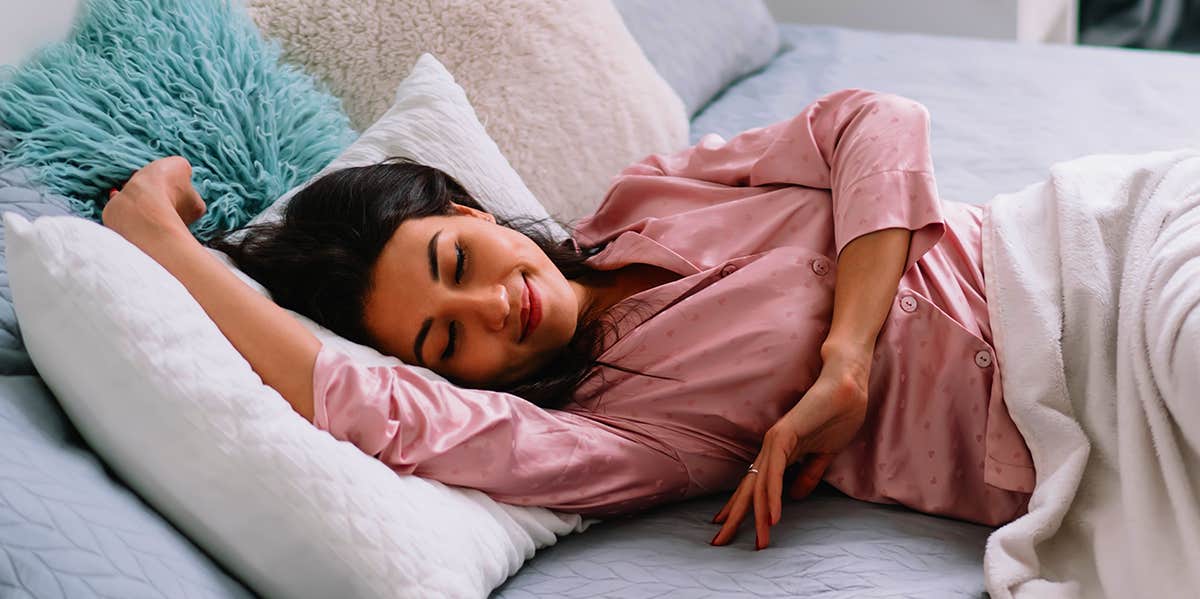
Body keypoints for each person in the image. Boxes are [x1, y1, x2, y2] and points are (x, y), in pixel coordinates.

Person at [101, 88, 1035, 551]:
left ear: (470, 213)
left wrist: (848, 358)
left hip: (1066, 247)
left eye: (457, 263)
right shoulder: (612, 433)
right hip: (1059, 424)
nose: (491, 307)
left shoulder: (648, 192)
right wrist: (164, 243)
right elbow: (363, 402)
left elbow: (873, 118)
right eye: (445, 340)